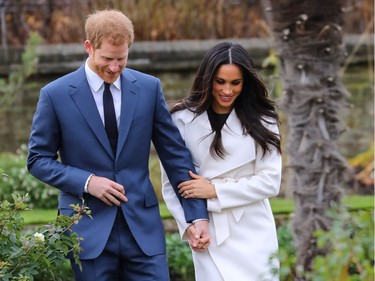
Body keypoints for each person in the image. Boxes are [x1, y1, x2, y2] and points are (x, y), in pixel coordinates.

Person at [27, 9, 210, 281]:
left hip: (143, 231)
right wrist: (88, 182)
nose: (114, 68)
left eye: (121, 59)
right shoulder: (55, 95)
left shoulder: (149, 88)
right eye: (107, 59)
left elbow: (175, 155)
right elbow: (37, 160)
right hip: (87, 231)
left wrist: (197, 216)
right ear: (88, 47)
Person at [161, 42, 282, 281]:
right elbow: (171, 183)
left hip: (252, 229)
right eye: (220, 82)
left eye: (235, 83)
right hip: (208, 228)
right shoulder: (182, 119)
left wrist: (215, 190)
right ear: (208, 79)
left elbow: (270, 182)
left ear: (245, 83)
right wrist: (190, 226)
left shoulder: (263, 120)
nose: (227, 90)